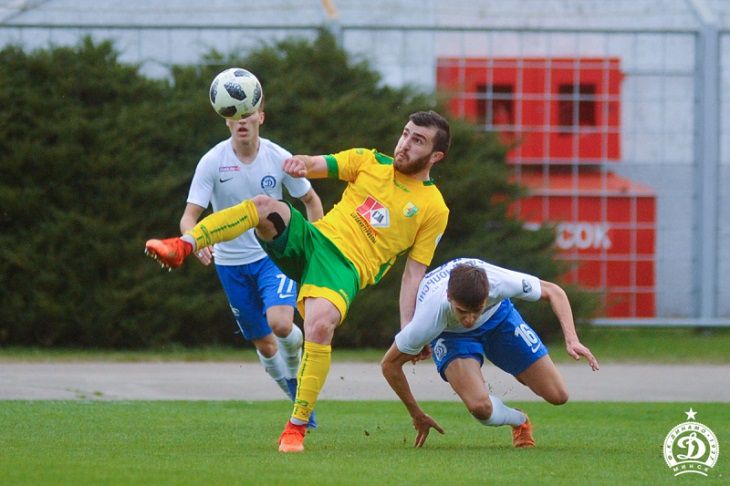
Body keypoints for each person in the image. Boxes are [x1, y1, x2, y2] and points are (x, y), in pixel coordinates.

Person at [145, 110, 452, 453]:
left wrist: (408, 331)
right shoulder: (368, 160)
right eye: (406, 134)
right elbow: (316, 163)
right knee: (265, 206)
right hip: (312, 240)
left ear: (436, 156)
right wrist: (300, 164)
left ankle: (296, 427)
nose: (405, 144)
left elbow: (413, 273)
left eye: (418, 140)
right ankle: (183, 246)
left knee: (319, 327)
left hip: (344, 270)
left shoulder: (434, 209)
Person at [181, 103, 324, 426]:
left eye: (248, 113)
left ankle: (299, 382)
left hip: (274, 256)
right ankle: (291, 389)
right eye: (234, 115)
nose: (242, 121)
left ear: (261, 117)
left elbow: (311, 200)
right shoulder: (213, 161)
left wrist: (315, 247)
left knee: (281, 324)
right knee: (264, 343)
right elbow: (190, 217)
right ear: (226, 120)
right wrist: (194, 242)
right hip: (231, 264)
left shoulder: (277, 157)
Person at [381, 257, 599, 448]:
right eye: (462, 311)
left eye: (475, 311)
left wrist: (572, 339)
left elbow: (554, 291)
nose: (468, 320)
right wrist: (416, 414)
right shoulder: (428, 319)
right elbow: (389, 365)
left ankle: (517, 366)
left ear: (487, 296)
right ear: (449, 296)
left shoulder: (499, 283)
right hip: (451, 335)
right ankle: (519, 420)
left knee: (558, 395)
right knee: (480, 407)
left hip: (498, 319)